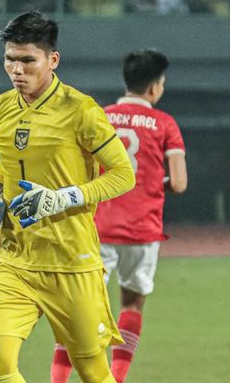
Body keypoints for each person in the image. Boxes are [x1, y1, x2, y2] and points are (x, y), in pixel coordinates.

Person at [0, 11, 136, 383]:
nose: (17, 70)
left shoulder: (80, 110)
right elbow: (9, 165)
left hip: (70, 262)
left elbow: (124, 174)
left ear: (52, 60)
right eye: (10, 60)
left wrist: (63, 198)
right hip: (15, 260)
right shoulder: (1, 107)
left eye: (28, 60)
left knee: (93, 372)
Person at [50, 49, 188, 383]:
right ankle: (116, 378)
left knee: (78, 309)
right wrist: (154, 185)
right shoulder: (165, 124)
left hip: (95, 228)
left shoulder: (99, 117)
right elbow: (180, 183)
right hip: (142, 230)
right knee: (131, 305)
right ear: (154, 87)